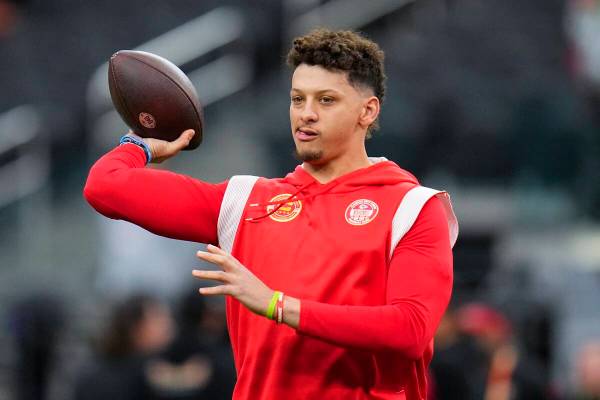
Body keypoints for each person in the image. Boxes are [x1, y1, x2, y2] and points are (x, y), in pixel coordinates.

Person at [84, 28, 458, 400]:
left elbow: (409, 331)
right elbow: (105, 187)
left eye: (326, 100)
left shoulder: (413, 208)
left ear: (367, 110)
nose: (306, 114)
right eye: (298, 99)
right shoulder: (246, 202)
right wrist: (140, 145)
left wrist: (276, 305)